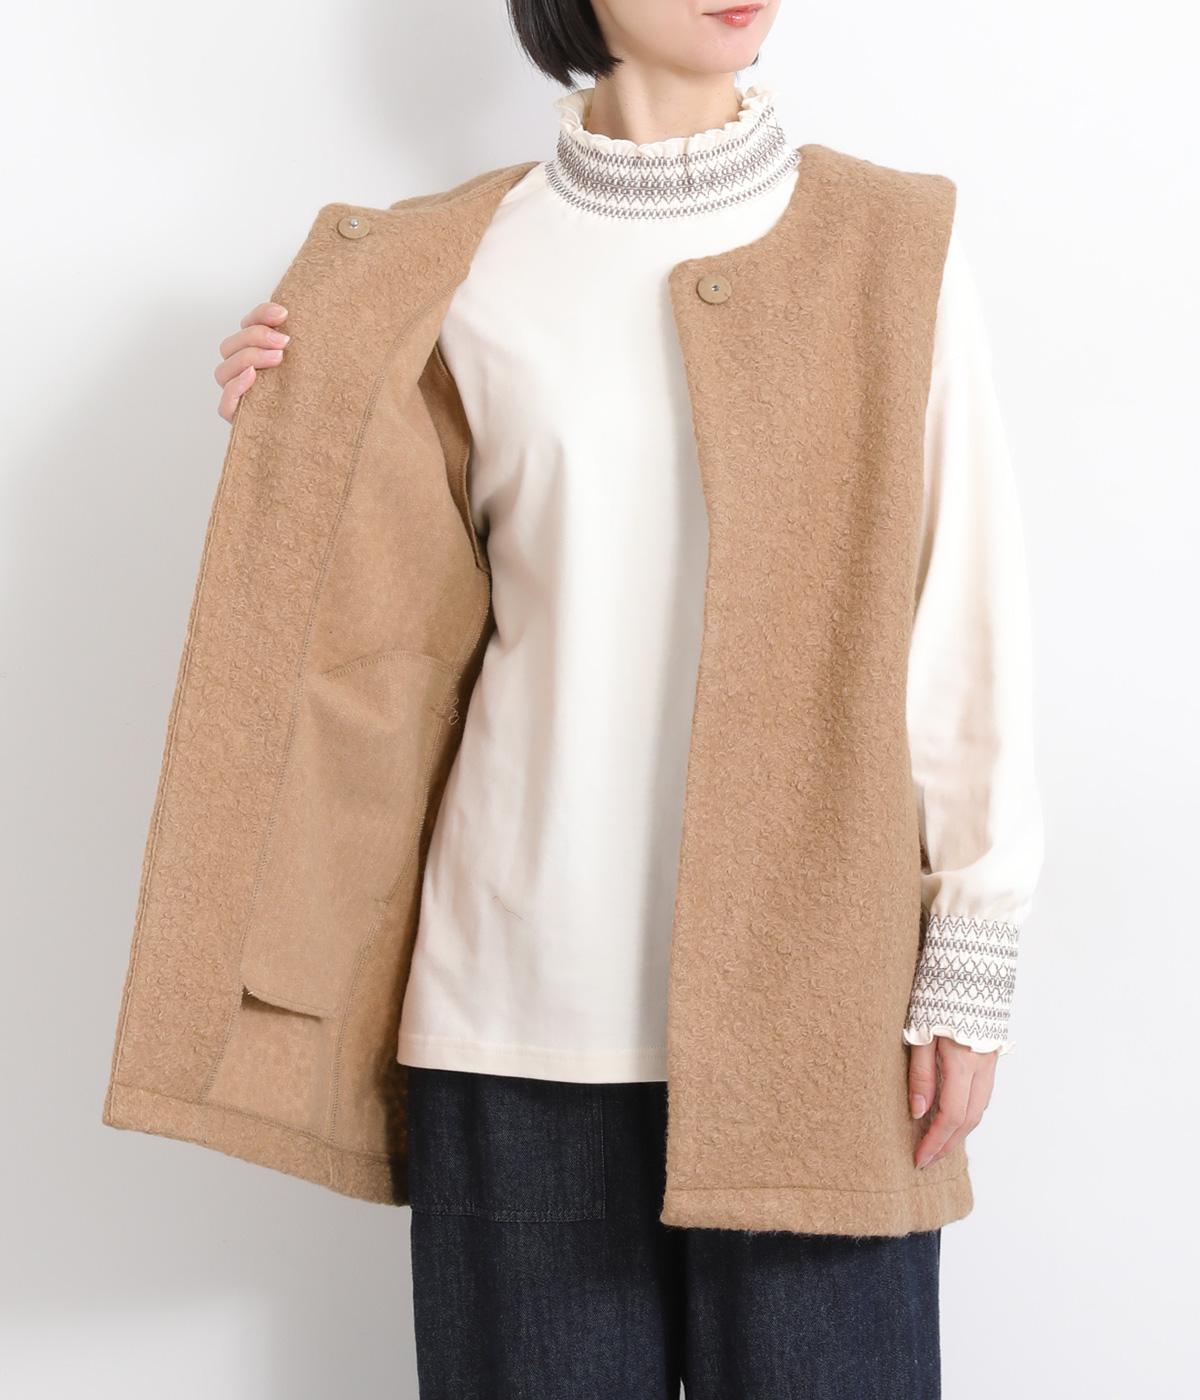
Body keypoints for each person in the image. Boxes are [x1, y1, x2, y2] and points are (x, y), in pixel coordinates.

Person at [203, 2, 1043, 1395]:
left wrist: (973, 943)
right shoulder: (451, 260)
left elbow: (965, 612)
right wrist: (290, 427)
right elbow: (385, 643)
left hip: (819, 1015)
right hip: (510, 1014)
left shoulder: (892, 243)